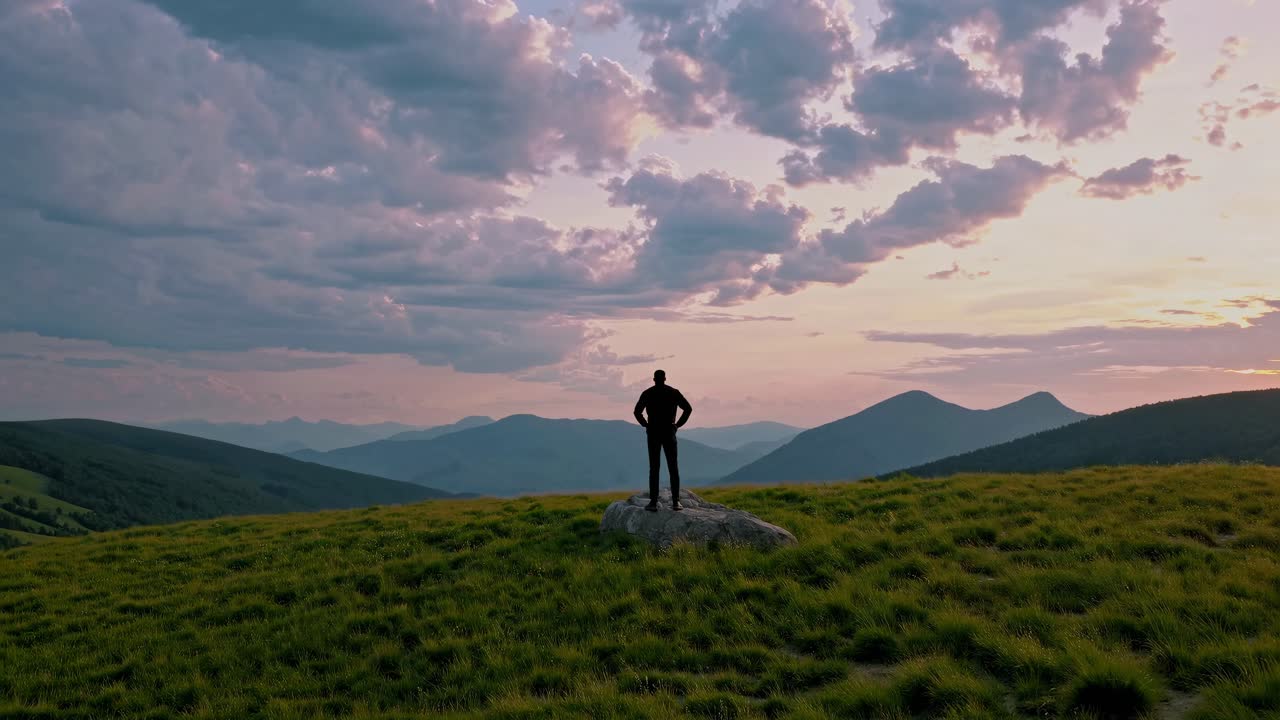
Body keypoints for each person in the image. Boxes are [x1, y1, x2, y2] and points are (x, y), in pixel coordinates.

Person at [633, 369, 692, 511]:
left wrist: (646, 424)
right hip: (668, 432)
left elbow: (637, 412)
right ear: (665, 378)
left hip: (653, 432)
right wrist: (677, 425)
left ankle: (653, 502)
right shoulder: (673, 392)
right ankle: (676, 502)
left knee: (654, 468)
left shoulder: (648, 393)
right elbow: (688, 409)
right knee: (673, 467)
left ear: (654, 379)